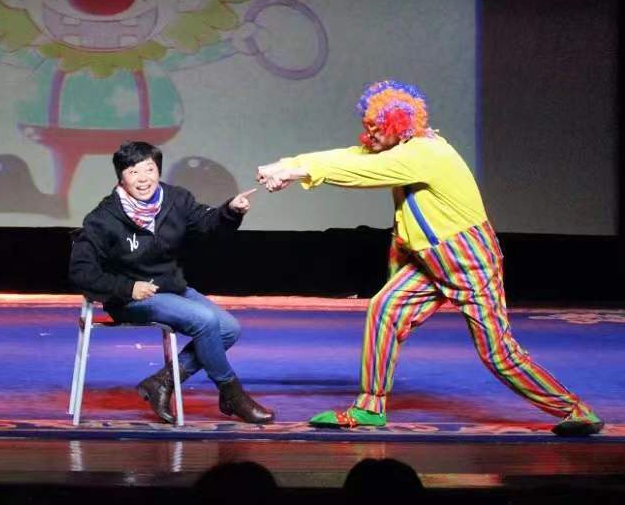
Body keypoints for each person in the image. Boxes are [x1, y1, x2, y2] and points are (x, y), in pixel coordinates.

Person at [256, 80, 603, 436]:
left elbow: (360, 172)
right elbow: (351, 157)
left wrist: (295, 172)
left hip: (469, 261)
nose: (368, 135)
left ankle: (575, 410)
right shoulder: (400, 149)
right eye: (367, 127)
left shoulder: (424, 153)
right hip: (431, 262)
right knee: (385, 309)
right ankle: (369, 407)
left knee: (498, 353)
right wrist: (288, 165)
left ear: (398, 126)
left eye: (376, 128)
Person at [69, 141, 274, 424]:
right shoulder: (103, 218)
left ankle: (161, 382)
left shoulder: (175, 199)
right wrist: (128, 288)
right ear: (121, 177)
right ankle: (232, 394)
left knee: (229, 329)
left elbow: (207, 223)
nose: (143, 179)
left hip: (171, 289)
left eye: (149, 169)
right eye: (133, 172)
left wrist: (231, 210)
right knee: (204, 320)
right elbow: (80, 272)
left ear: (158, 170)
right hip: (130, 299)